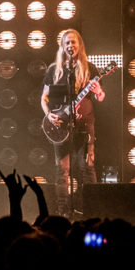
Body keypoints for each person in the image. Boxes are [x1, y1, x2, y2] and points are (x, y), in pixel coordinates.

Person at [41, 29, 105, 217]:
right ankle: (63, 212)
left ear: (80, 45)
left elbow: (100, 97)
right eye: (67, 43)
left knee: (87, 167)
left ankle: (90, 210)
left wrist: (99, 90)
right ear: (63, 46)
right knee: (62, 170)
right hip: (61, 125)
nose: (71, 46)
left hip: (85, 125)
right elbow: (43, 97)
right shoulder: (55, 69)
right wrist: (49, 115)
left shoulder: (90, 68)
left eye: (74, 42)